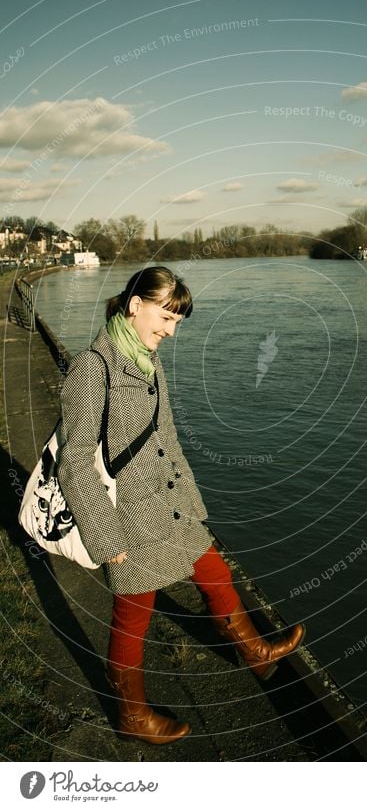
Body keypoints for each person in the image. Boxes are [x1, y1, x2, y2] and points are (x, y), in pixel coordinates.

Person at [57, 266, 305, 745]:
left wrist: (191, 498)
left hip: (170, 505)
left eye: (176, 323)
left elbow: (166, 437)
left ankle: (255, 651)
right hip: (129, 519)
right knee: (133, 617)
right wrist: (106, 536)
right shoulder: (93, 368)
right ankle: (131, 715)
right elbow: (73, 463)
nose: (170, 332)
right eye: (165, 318)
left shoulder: (147, 360)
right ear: (135, 305)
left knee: (215, 571)